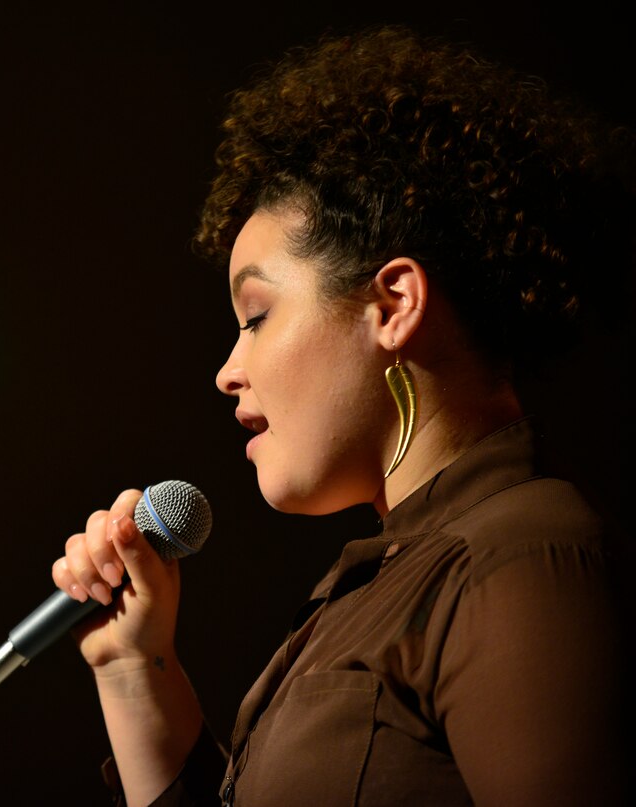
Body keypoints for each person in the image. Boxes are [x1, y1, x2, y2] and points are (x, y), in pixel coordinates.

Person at [49, 24, 635, 806]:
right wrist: (134, 668)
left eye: (256, 315)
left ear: (393, 303)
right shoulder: (377, 585)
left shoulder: (519, 557)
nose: (227, 371)